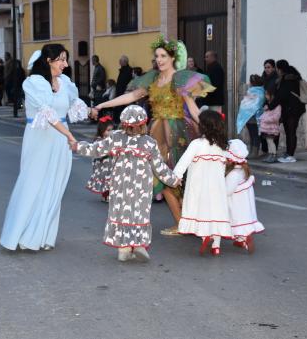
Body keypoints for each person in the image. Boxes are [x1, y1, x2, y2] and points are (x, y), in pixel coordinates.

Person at [91, 35, 214, 236]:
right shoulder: (153, 79)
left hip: (177, 132)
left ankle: (188, 222)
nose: (159, 59)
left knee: (178, 178)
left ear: (172, 57)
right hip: (156, 132)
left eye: (163, 56)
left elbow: (193, 109)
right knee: (162, 179)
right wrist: (102, 104)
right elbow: (130, 96)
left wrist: (211, 130)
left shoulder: (180, 79)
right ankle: (183, 223)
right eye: (157, 56)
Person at [0, 44, 89, 251]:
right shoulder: (33, 83)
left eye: (66, 59)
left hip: (60, 141)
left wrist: (96, 110)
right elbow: (47, 113)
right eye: (62, 59)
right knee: (32, 183)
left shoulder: (65, 82)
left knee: (55, 186)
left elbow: (75, 105)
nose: (66, 64)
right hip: (40, 138)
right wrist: (68, 134)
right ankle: (18, 236)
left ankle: (41, 236)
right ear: (48, 61)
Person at [74, 105, 180, 262]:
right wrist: (174, 180)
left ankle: (123, 248)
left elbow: (95, 150)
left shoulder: (116, 138)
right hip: (142, 187)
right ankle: (139, 246)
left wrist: (78, 146)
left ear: (123, 123)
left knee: (121, 213)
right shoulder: (149, 143)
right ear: (144, 123)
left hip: (120, 185)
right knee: (139, 213)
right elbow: (160, 168)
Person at [173, 110, 231, 256]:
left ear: (203, 126)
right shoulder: (223, 146)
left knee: (201, 210)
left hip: (198, 185)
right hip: (217, 186)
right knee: (216, 211)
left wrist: (176, 177)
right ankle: (216, 245)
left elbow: (183, 162)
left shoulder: (196, 144)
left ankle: (205, 236)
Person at [225, 139, 264, 253]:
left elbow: (227, 192)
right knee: (242, 222)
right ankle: (240, 240)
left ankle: (244, 238)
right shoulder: (244, 170)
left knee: (235, 220)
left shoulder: (232, 174)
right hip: (245, 203)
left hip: (236, 203)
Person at [269, 60, 305, 163]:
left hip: (291, 109)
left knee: (290, 131)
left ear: (279, 69)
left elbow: (281, 95)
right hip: (294, 108)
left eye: (276, 68)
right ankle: (289, 153)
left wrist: (271, 106)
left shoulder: (287, 79)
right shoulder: (293, 77)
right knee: (291, 131)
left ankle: (290, 155)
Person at [85, 115, 115, 202]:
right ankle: (105, 195)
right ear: (102, 130)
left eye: (112, 130)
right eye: (108, 130)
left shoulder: (112, 139)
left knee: (112, 180)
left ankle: (111, 194)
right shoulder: (99, 140)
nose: (110, 132)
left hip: (112, 163)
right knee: (105, 180)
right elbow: (98, 152)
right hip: (102, 165)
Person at [236, 74, 265, 157]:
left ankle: (255, 152)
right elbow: (246, 102)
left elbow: (257, 103)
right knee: (252, 134)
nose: (249, 83)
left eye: (251, 81)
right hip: (248, 117)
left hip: (255, 117)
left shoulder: (259, 92)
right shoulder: (252, 91)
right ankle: (252, 150)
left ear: (253, 83)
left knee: (255, 135)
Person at [260, 59, 279, 154]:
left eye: (269, 67)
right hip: (264, 107)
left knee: (273, 130)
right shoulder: (263, 78)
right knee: (263, 129)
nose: (267, 69)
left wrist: (270, 105)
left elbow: (276, 94)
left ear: (273, 68)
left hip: (273, 107)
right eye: (265, 67)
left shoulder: (276, 79)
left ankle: (273, 151)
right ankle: (265, 150)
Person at [259, 88, 281, 163]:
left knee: (271, 142)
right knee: (268, 141)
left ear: (271, 95)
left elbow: (276, 117)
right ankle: (270, 155)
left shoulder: (277, 106)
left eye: (267, 94)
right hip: (266, 128)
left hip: (272, 128)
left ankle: (274, 155)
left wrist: (266, 120)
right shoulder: (267, 105)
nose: (265, 96)